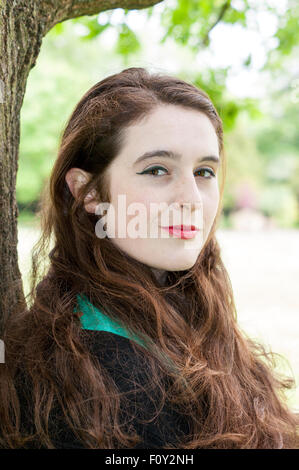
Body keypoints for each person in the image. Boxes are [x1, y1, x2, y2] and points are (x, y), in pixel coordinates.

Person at [0, 67, 298, 449]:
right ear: (88, 191)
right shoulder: (100, 370)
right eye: (158, 170)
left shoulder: (184, 305)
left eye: (204, 172)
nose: (191, 199)